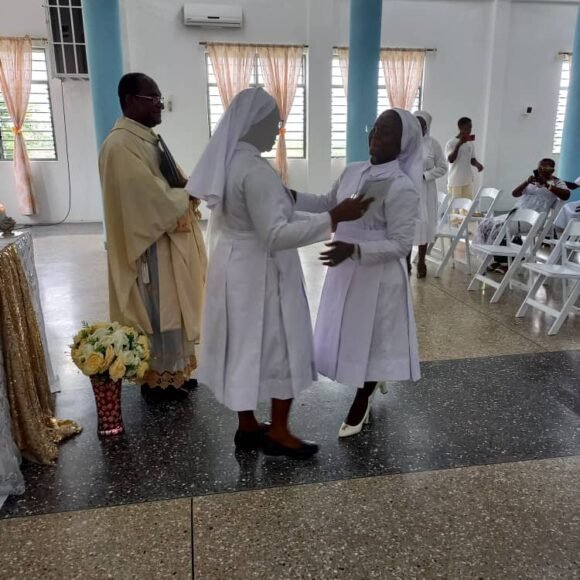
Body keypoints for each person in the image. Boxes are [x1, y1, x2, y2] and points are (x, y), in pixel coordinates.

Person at [186, 87, 371, 458]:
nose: (277, 131)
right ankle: (281, 431)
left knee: (244, 346)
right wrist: (334, 218)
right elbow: (275, 233)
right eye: (274, 123)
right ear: (254, 124)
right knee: (280, 345)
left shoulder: (231, 160)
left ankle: (248, 425)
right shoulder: (254, 170)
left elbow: (283, 205)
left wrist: (327, 207)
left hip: (236, 268)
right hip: (261, 274)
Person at [294, 109, 422, 437]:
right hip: (344, 267)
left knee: (372, 336)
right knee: (349, 332)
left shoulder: (402, 186)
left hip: (376, 274)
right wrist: (289, 196)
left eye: (387, 133)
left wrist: (356, 250)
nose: (376, 136)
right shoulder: (352, 171)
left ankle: (361, 399)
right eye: (375, 128)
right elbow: (326, 202)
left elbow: (401, 244)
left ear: (403, 142)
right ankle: (368, 379)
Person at [99, 73, 207, 399]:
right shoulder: (119, 145)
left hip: (165, 242)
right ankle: (157, 380)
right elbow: (146, 198)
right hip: (149, 247)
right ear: (130, 100)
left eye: (160, 97)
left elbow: (168, 180)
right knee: (159, 312)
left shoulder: (144, 137)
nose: (161, 104)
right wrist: (184, 195)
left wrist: (186, 185)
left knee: (174, 306)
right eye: (153, 98)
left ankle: (174, 370)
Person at [475, 158, 570, 273]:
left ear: (551, 170)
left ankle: (508, 260)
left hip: (533, 219)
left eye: (543, 168)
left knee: (501, 227)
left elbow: (566, 195)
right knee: (486, 223)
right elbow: (515, 193)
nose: (540, 170)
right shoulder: (533, 181)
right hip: (517, 213)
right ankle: (499, 258)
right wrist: (527, 182)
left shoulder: (557, 182)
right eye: (539, 167)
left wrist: (546, 184)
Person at [410, 110, 447, 278]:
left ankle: (422, 261)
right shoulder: (405, 142)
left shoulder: (433, 144)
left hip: (426, 188)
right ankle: (405, 261)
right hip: (409, 188)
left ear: (427, 126)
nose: (420, 127)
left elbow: (443, 167)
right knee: (408, 223)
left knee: (424, 224)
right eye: (416, 123)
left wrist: (426, 175)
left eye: (423, 124)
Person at [445, 117, 484, 199]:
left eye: (471, 127)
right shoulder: (451, 143)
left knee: (467, 209)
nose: (470, 129)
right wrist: (459, 144)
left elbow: (472, 159)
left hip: (468, 181)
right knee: (454, 210)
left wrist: (478, 165)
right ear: (460, 127)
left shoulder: (470, 143)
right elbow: (451, 160)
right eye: (468, 127)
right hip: (455, 182)